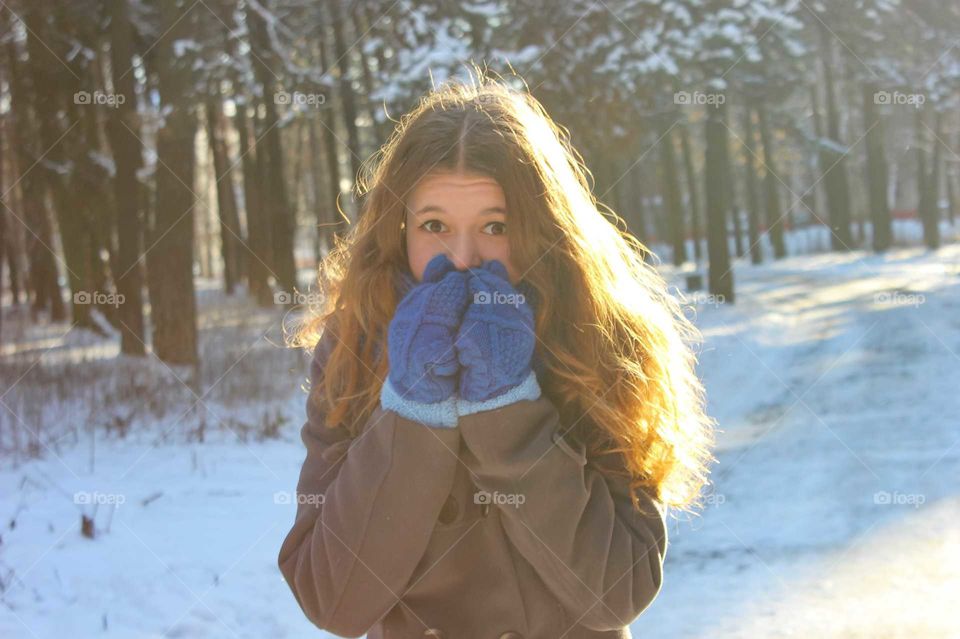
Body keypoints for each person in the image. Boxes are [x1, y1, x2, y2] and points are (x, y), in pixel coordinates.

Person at [277, 73, 715, 639]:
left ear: (541, 231)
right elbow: (331, 601)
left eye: (495, 226)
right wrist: (411, 412)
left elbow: (617, 593)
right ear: (398, 229)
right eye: (434, 226)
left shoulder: (601, 337)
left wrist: (509, 407)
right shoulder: (355, 348)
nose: (463, 258)